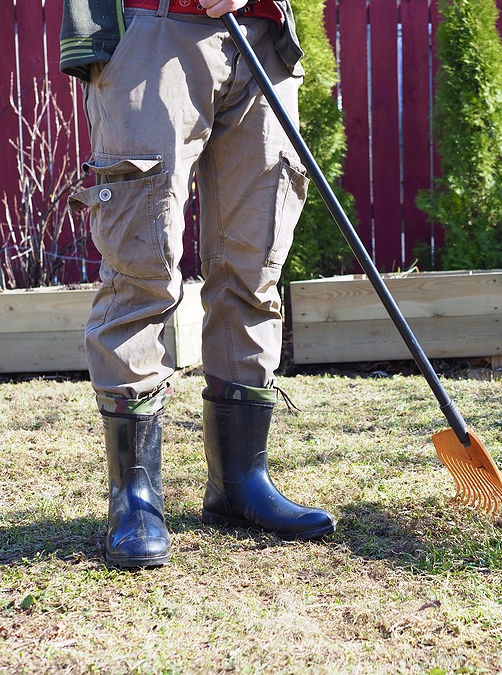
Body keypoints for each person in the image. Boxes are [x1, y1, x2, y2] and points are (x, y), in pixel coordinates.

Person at [60, 0, 336, 568]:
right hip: (151, 31)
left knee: (253, 265)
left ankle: (241, 484)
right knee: (141, 265)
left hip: (264, 35)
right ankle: (134, 498)